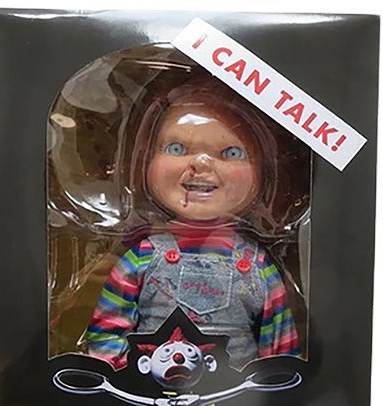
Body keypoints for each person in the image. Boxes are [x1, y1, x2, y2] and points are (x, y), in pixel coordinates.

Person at [86, 83, 300, 370]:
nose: (200, 163)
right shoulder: (142, 258)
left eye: (231, 153)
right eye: (176, 148)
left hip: (235, 393)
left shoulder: (258, 266)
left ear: (263, 169)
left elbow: (280, 346)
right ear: (145, 160)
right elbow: (107, 333)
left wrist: (277, 385)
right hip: (152, 388)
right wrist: (123, 376)